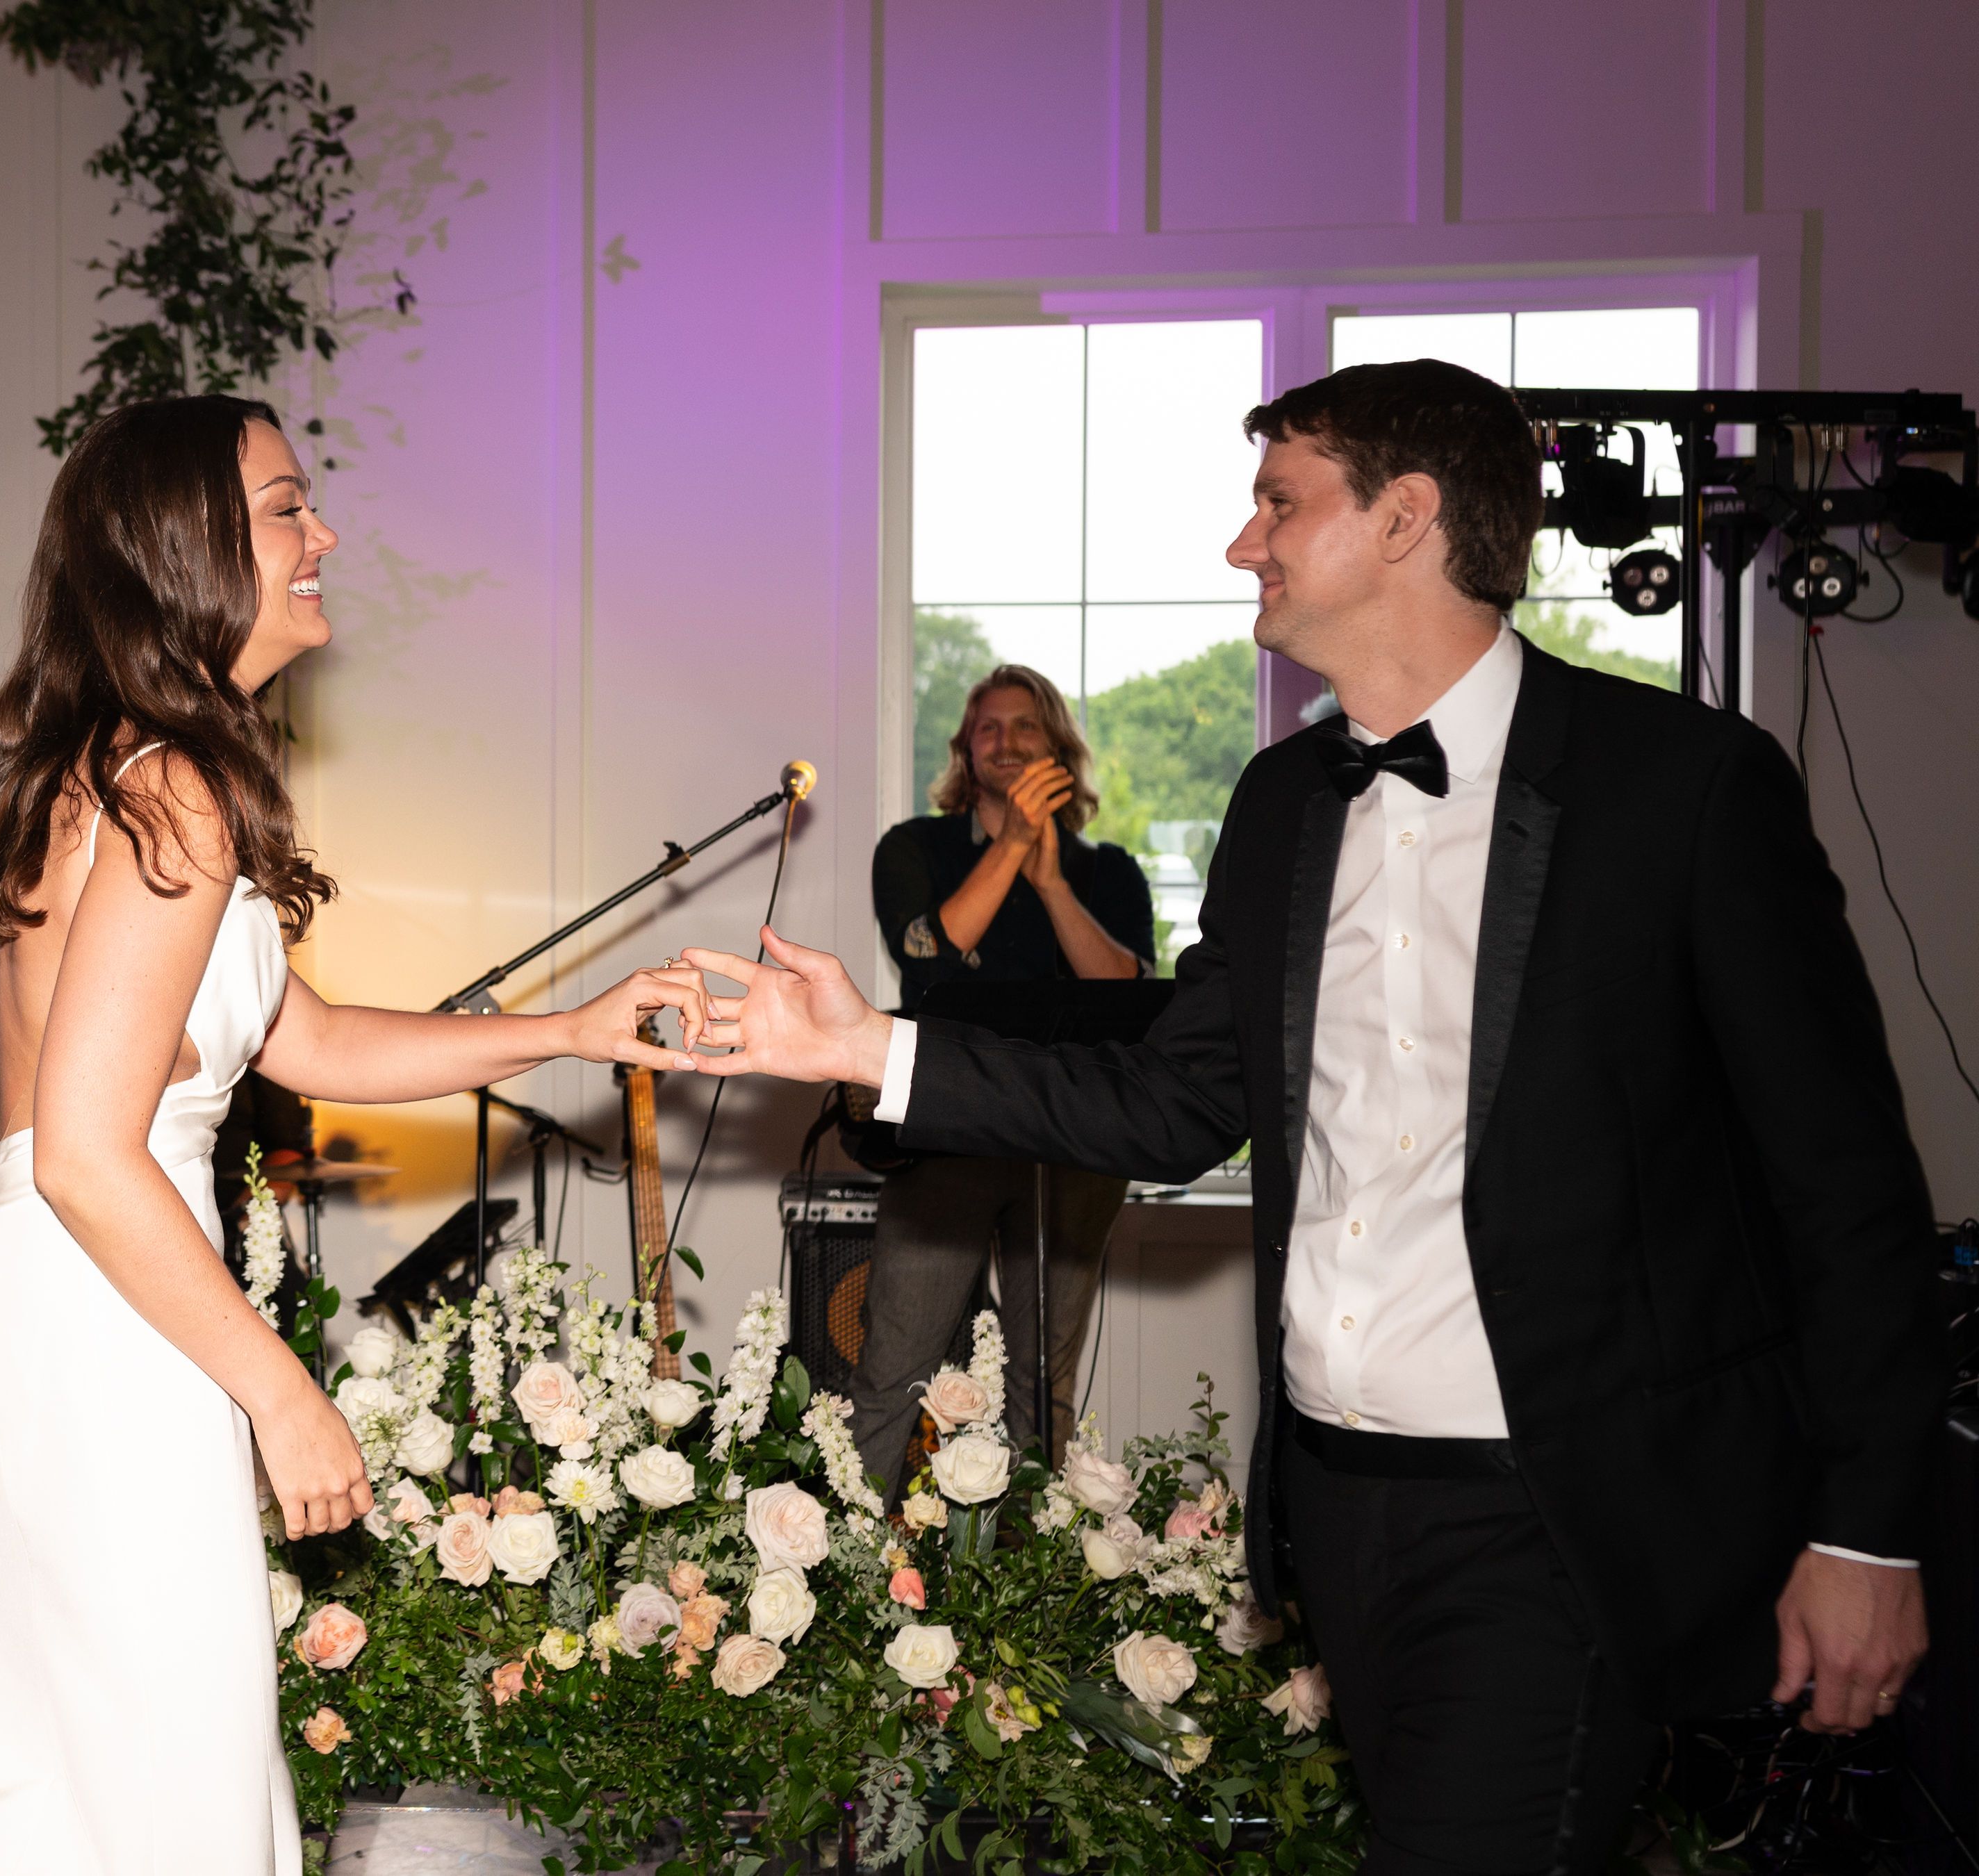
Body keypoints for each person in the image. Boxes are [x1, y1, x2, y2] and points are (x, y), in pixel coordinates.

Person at [677, 360, 1944, 1874]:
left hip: (1555, 1516)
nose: (1243, 545)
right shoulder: (1282, 806)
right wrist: (868, 1046)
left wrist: (1870, 1529)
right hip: (1339, 1519)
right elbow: (1168, 1101)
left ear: (1407, 519)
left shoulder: (1684, 789)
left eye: (1282, 502)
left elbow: (1846, 1187)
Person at [0, 396, 709, 1876]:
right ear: (189, 549)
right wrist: (282, 1391)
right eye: (290, 505)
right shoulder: (168, 790)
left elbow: (310, 1038)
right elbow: (90, 1153)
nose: (326, 536)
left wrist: (568, 1027)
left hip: (78, 1299)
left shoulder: (138, 770)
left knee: (90, 1770)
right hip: (109, 1312)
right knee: (160, 1783)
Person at [854, 665, 1152, 1495]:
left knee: (1041, 1389)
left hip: (1074, 1138)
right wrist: (1014, 843)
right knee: (892, 1371)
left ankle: (1021, 1588)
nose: (1009, 743)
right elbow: (929, 952)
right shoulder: (915, 848)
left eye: (1027, 729)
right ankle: (843, 1576)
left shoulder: (1111, 872)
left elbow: (1124, 995)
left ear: (1058, 749)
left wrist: (1050, 879)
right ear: (965, 751)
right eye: (990, 729)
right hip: (946, 1132)